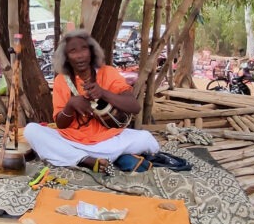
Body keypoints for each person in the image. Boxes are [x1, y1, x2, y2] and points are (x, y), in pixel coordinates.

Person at [24, 30, 159, 175]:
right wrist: (70, 105)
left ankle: (76, 157)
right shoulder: (61, 81)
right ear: (66, 58)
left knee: (147, 139)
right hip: (73, 140)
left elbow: (134, 107)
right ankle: (87, 161)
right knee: (31, 130)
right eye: (73, 51)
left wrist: (104, 93)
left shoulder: (108, 72)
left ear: (92, 52)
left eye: (84, 48)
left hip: (109, 140)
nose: (80, 55)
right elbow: (61, 124)